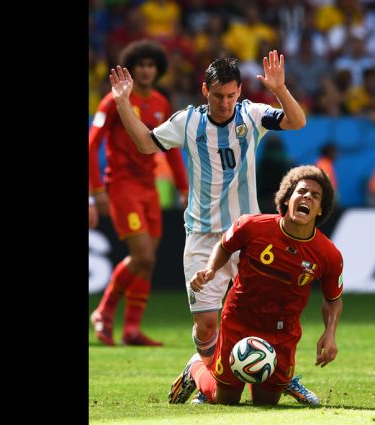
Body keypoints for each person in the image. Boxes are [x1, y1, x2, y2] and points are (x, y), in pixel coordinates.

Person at [108, 51, 321, 405]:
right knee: (207, 324)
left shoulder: (251, 115)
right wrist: (122, 103)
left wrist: (280, 89)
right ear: (204, 90)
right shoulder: (187, 122)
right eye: (219, 95)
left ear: (239, 93)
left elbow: (297, 121)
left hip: (248, 235)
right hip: (203, 236)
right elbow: (145, 144)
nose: (225, 103)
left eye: (232, 96)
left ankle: (282, 377)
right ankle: (205, 367)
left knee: (267, 316)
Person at [168, 165, 344, 405]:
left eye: (315, 195)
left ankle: (284, 382)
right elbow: (224, 246)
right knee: (225, 399)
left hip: (283, 331)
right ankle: (196, 368)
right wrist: (211, 269)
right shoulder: (252, 226)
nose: (307, 197)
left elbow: (333, 299)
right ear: (287, 198)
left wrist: (330, 332)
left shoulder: (328, 254)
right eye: (301, 191)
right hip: (240, 320)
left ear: (320, 209)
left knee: (266, 403)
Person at [89, 40, 189, 347]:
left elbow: (170, 148)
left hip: (149, 189)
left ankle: (132, 328)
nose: (146, 70)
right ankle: (103, 312)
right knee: (142, 254)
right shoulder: (113, 101)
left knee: (147, 261)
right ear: (131, 69)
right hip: (121, 186)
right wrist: (96, 191)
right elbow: (91, 146)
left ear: (157, 69)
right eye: (141, 65)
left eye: (151, 65)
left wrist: (183, 186)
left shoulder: (160, 103)